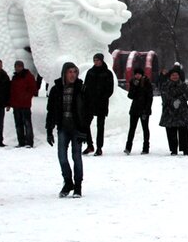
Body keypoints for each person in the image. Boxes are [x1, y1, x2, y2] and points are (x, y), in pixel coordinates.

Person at [46, 62, 89, 198]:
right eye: (69, 72)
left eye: (74, 72)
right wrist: (49, 129)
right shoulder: (56, 89)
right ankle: (68, 181)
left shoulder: (81, 88)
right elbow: (51, 111)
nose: (72, 75)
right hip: (63, 127)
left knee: (76, 156)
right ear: (64, 73)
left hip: (77, 128)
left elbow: (87, 112)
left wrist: (85, 131)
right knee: (62, 156)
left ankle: (78, 185)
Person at [82, 53, 114, 156]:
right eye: (94, 60)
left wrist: (102, 97)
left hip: (101, 103)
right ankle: (90, 145)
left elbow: (110, 89)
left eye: (98, 60)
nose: (96, 62)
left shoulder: (107, 73)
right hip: (90, 102)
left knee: (100, 126)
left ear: (102, 60)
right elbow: (85, 86)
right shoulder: (90, 72)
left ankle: (99, 147)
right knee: (86, 123)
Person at [159, 66, 188, 156]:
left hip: (182, 111)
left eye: (176, 75)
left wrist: (180, 100)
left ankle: (186, 149)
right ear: (170, 76)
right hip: (169, 111)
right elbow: (164, 96)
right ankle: (173, 149)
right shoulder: (165, 85)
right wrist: (173, 101)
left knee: (183, 131)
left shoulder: (183, 84)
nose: (175, 76)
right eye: (173, 75)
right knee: (171, 131)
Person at [125, 67, 153, 155]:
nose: (137, 76)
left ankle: (146, 147)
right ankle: (128, 147)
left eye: (139, 74)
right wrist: (134, 87)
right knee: (132, 129)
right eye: (136, 74)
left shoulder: (147, 83)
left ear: (142, 75)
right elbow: (130, 96)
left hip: (144, 109)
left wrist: (147, 109)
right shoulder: (133, 82)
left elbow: (149, 97)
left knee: (145, 128)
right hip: (134, 109)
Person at [9, 60, 36, 148]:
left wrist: (26, 97)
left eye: (20, 66)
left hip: (25, 104)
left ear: (22, 67)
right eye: (17, 66)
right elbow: (12, 91)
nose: (18, 68)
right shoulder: (14, 77)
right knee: (18, 124)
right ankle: (21, 141)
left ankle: (29, 142)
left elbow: (33, 89)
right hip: (16, 105)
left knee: (27, 124)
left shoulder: (28, 76)